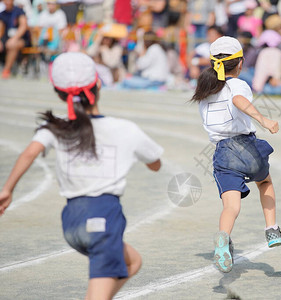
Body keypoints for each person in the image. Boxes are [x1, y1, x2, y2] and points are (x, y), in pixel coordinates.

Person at [0, 52, 164, 299]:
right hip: (103, 218)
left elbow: (29, 153)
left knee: (132, 262)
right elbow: (156, 164)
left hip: (72, 224)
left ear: (57, 92)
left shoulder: (56, 128)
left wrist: (8, 189)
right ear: (98, 84)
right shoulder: (124, 129)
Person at [190, 36, 281, 273]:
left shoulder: (205, 89)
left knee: (231, 206)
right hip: (246, 147)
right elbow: (237, 100)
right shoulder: (237, 85)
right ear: (240, 63)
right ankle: (272, 229)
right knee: (265, 181)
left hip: (223, 153)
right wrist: (263, 119)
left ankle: (224, 237)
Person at [0, 0, 30, 79]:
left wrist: (14, 38)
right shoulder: (2, 14)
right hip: (6, 39)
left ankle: (6, 70)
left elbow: (23, 26)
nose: (7, 2)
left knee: (12, 45)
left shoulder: (19, 11)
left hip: (21, 39)